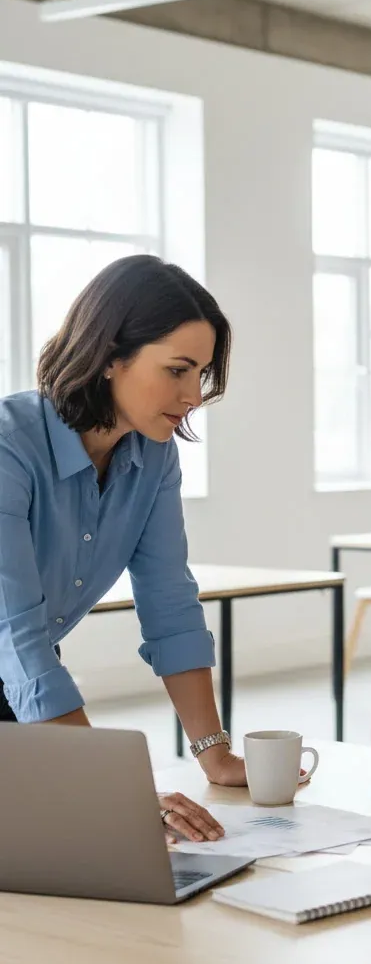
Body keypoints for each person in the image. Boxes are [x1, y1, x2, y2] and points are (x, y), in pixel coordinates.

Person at [0, 255, 246, 842]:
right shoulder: (9, 447)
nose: (193, 395)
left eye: (202, 373)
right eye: (177, 370)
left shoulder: (155, 456)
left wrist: (214, 754)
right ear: (111, 355)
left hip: (20, 687)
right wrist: (116, 790)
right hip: (19, 664)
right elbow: (17, 634)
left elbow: (169, 600)